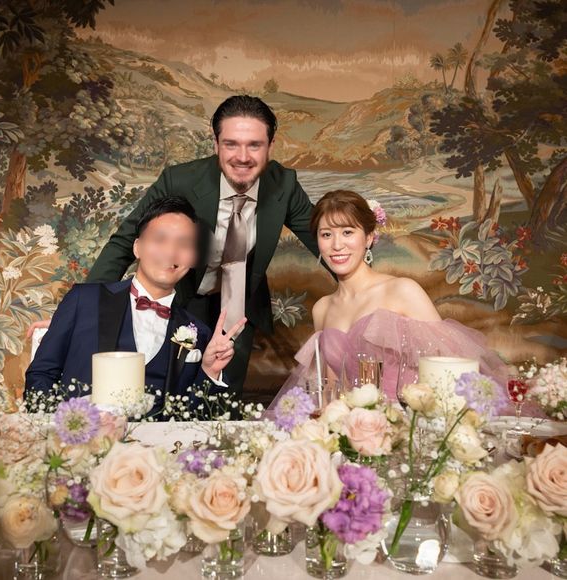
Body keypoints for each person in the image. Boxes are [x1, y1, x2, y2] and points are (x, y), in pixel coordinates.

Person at [28, 95, 320, 400]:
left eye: (254, 145)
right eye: (231, 144)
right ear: (216, 144)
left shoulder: (284, 185)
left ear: (271, 146)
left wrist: (355, 295)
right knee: (169, 393)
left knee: (222, 397)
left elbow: (325, 241)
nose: (242, 157)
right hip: (183, 299)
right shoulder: (180, 180)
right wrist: (84, 312)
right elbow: (127, 240)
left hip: (238, 308)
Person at [268, 190, 507, 407]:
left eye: (347, 232)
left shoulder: (402, 291)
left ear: (368, 237)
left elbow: (448, 370)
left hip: (405, 424)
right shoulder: (322, 308)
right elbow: (330, 389)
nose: (337, 245)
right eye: (326, 234)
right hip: (351, 428)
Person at [25, 197, 245, 412]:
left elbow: (191, 418)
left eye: (183, 244)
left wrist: (209, 371)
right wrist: (68, 427)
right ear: (137, 247)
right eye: (160, 239)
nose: (171, 252)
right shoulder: (83, 300)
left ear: (194, 257)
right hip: (82, 433)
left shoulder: (200, 333)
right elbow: (41, 375)